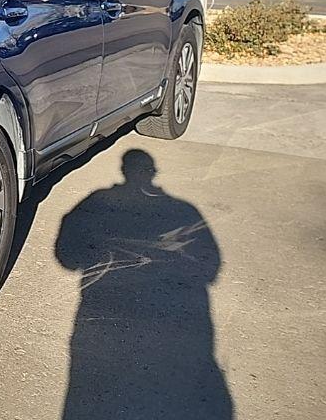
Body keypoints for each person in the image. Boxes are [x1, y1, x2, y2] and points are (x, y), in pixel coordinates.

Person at [55, 148, 232, 419]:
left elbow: (66, 256)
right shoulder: (184, 212)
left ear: (124, 171)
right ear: (153, 173)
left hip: (101, 320)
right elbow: (210, 269)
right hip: (171, 333)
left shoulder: (97, 202)